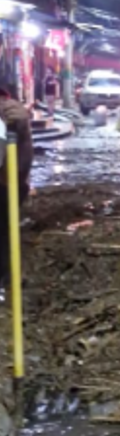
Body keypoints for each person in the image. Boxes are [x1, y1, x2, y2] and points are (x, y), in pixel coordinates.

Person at [0, 89, 34, 288]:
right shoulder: (16, 111)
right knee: (7, 229)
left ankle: (6, 276)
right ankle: (11, 274)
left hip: (5, 182)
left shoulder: (6, 117)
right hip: (17, 180)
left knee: (3, 231)